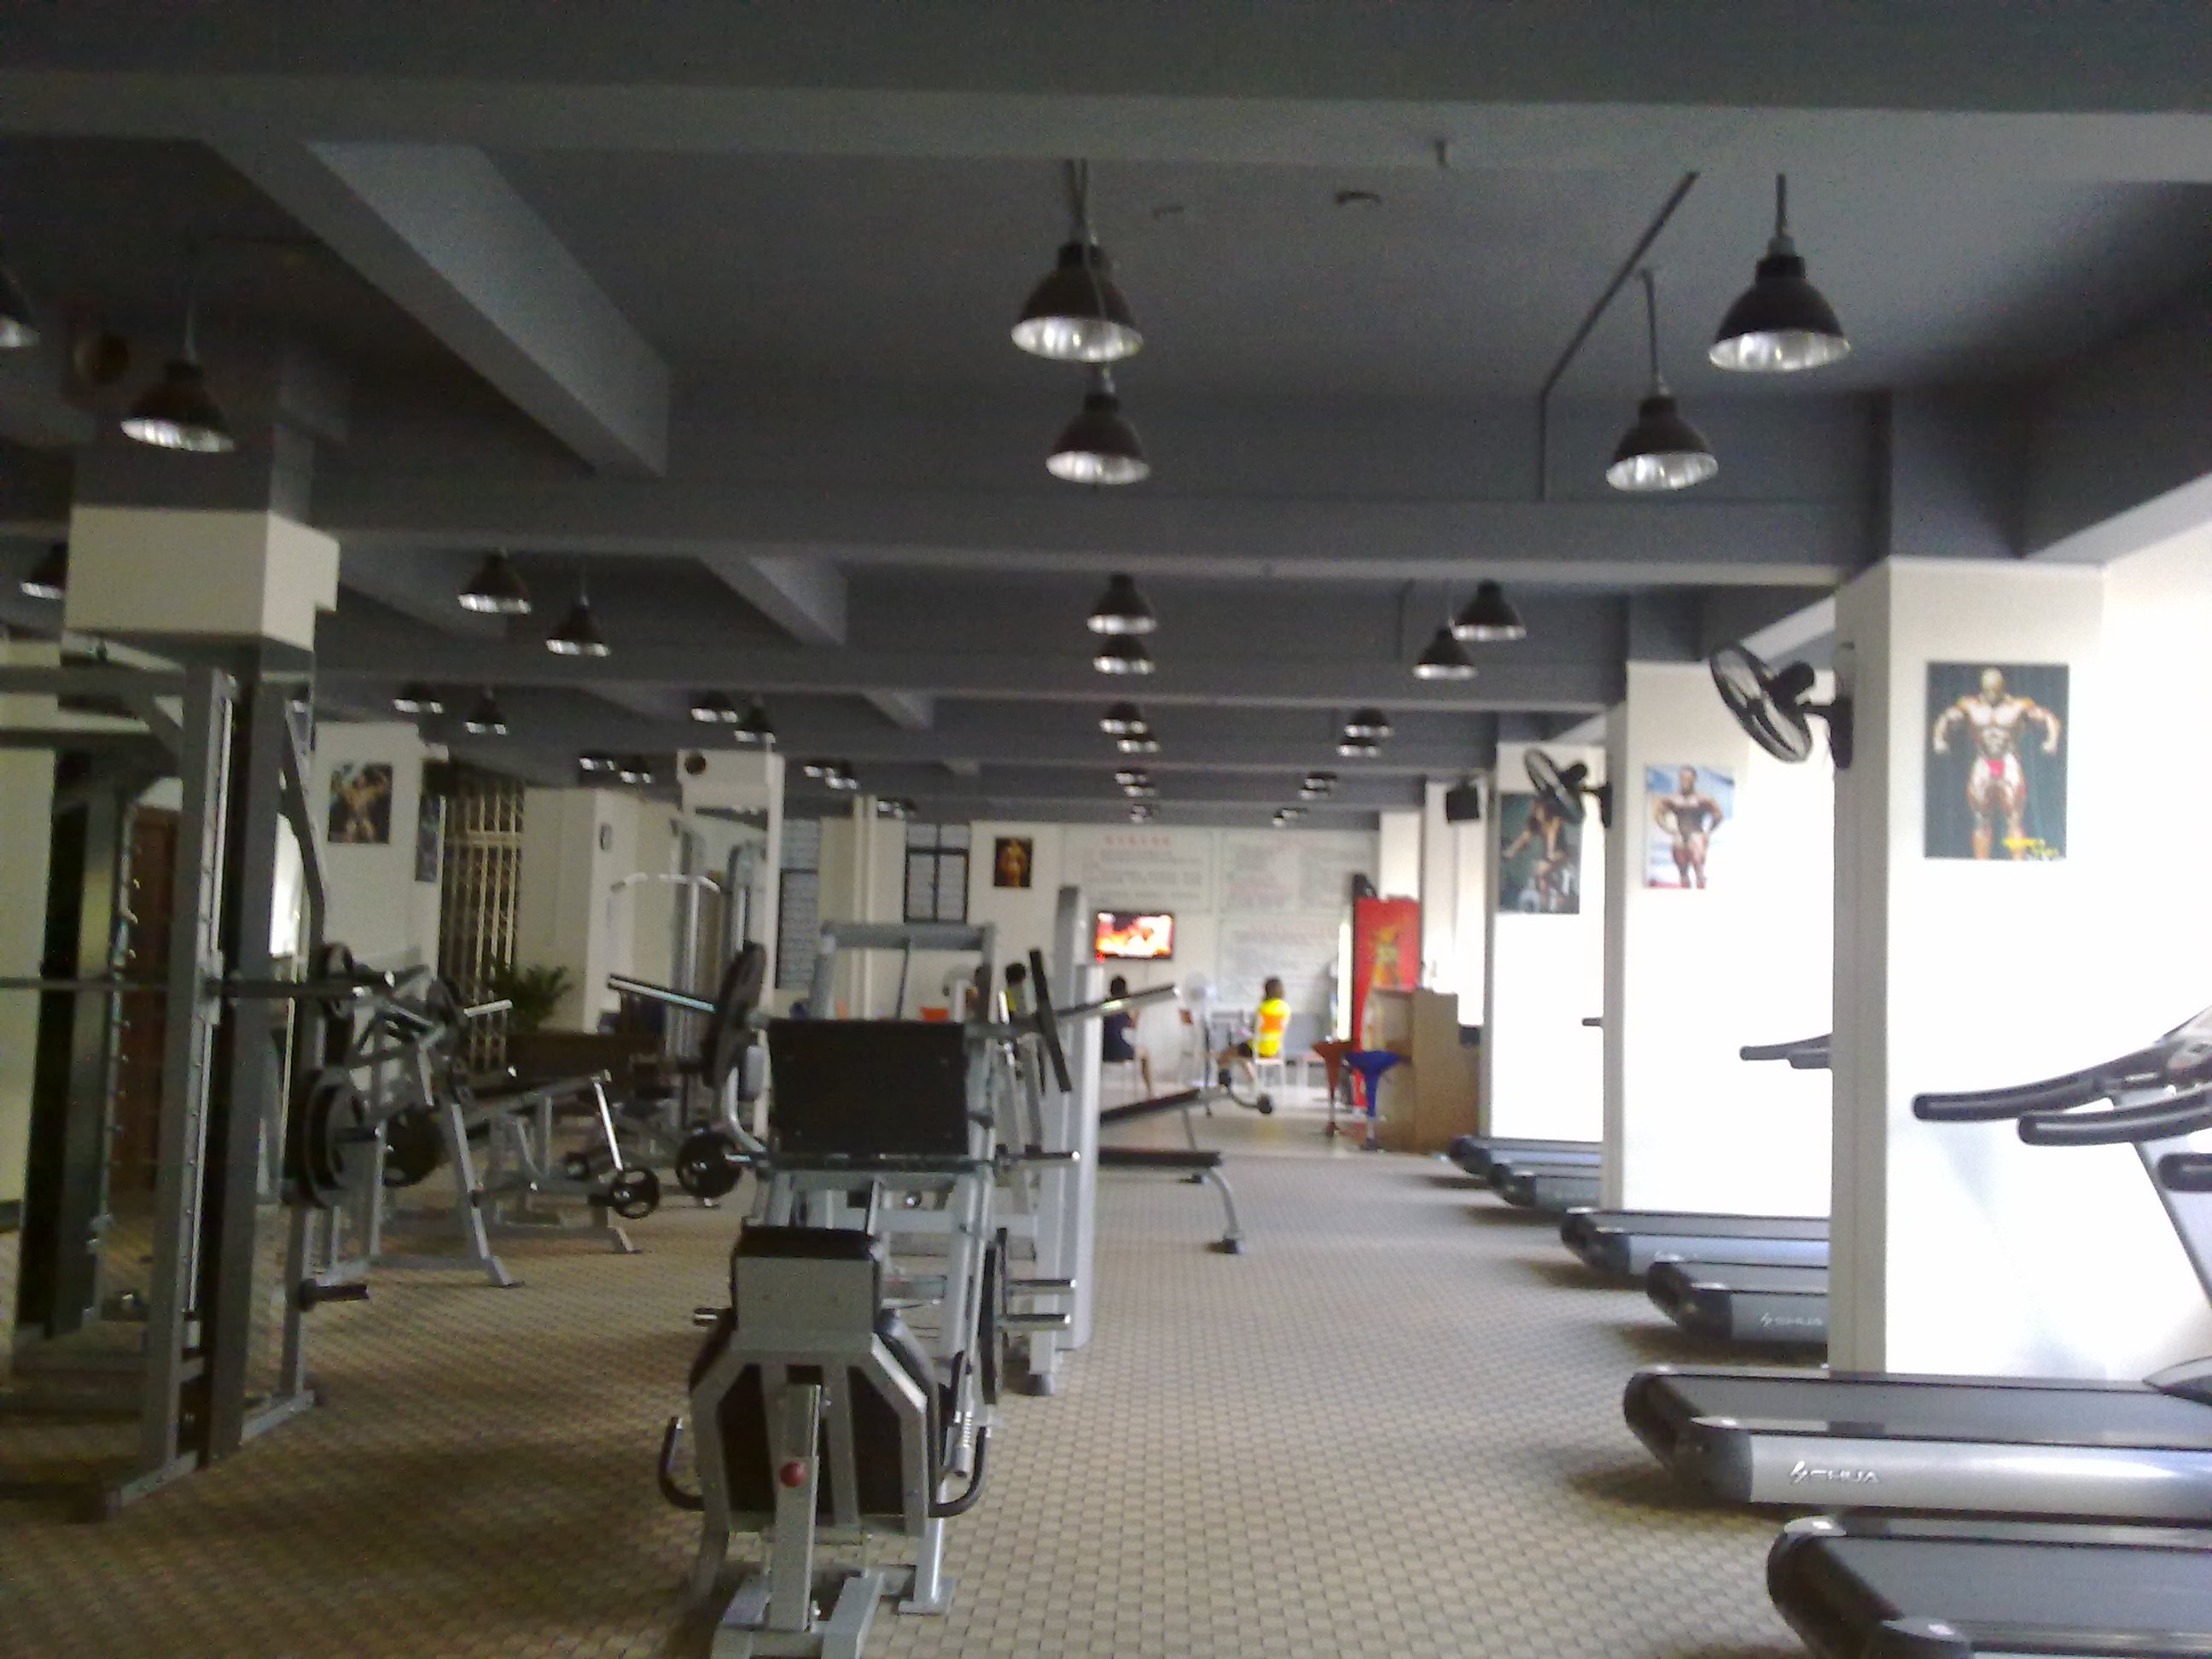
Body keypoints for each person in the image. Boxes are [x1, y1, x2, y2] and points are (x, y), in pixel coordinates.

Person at [1930, 667, 2063, 859]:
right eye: (1989, 690)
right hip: (1983, 761)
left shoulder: (2018, 705)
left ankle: (2018, 864)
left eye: (1996, 690)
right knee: (1980, 819)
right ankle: (1981, 866)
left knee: (2014, 818)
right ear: (1983, 688)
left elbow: (2048, 718)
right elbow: (1946, 718)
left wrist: (2052, 739)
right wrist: (1939, 739)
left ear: (2002, 688)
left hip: (2008, 762)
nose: (1992, 694)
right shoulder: (1970, 705)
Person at [1216, 976, 1290, 1104]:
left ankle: (1223, 1086)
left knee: (1226, 1053)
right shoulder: (1286, 1009)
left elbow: (1253, 1028)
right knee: (1241, 1057)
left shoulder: (1263, 1008)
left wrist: (1245, 1027)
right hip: (1273, 1050)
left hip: (1256, 1048)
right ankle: (1253, 1082)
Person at [1654, 766, 1724, 888]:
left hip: (1696, 835)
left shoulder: (1702, 799)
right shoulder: (1673, 799)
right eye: (1682, 778)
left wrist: (1707, 832)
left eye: (1688, 778)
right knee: (1682, 872)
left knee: (1699, 870)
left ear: (1694, 780)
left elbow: (1717, 815)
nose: (1685, 781)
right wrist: (1668, 829)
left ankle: (1701, 893)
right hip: (1680, 836)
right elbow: (1659, 814)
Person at [1502, 794, 1575, 911]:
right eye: (1534, 808)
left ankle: (1561, 895)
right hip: (1549, 856)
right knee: (1541, 881)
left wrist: (1550, 854)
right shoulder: (1534, 823)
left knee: (1539, 872)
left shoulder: (1554, 820)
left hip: (1561, 854)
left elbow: (1552, 836)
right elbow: (1524, 838)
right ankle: (1545, 907)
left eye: (1537, 808)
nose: (1535, 811)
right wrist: (1510, 851)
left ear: (1544, 808)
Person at [1099, 974, 1153, 1095]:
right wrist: (1138, 1012)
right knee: (1145, 1053)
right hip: (1118, 1050)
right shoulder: (1125, 1007)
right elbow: (1133, 1026)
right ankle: (1150, 1091)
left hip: (1102, 1051)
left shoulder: (1103, 1005)